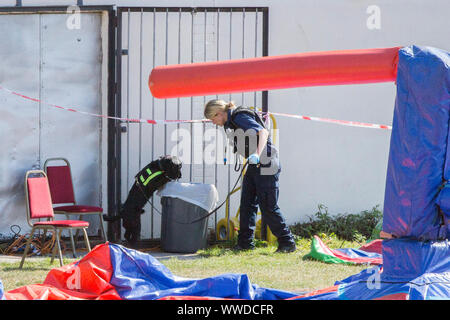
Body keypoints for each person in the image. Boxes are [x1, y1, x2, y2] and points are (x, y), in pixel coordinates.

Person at [204, 99, 296, 253]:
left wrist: (256, 154)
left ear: (219, 113)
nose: (214, 123)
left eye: (213, 119)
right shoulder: (231, 121)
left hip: (266, 162)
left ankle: (287, 242)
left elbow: (263, 132)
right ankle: (245, 244)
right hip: (255, 165)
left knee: (268, 206)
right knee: (247, 204)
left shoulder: (239, 117)